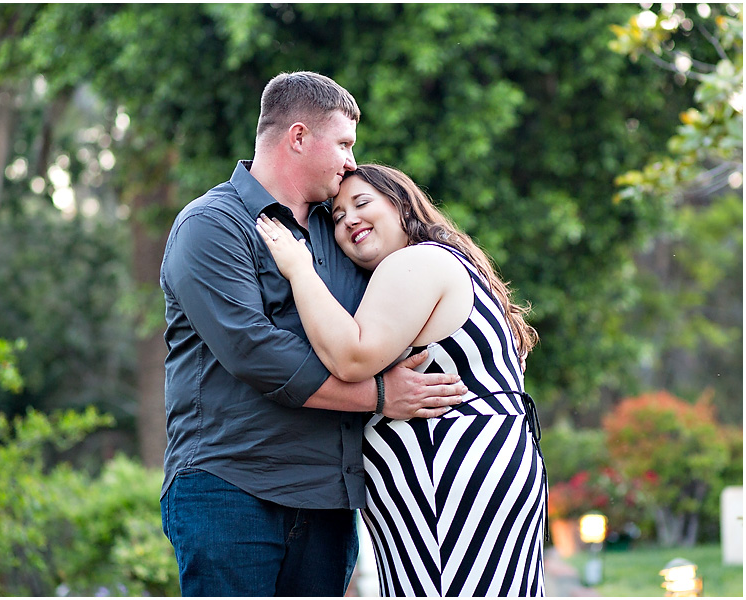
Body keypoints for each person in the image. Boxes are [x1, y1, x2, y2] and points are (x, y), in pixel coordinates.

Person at [159, 72, 468, 597]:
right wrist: (377, 396)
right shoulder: (212, 226)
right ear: (298, 137)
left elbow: (392, 314)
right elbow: (255, 352)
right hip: (231, 491)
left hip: (328, 502)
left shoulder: (344, 230)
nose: (351, 161)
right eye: (343, 143)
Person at [257, 163, 547, 597]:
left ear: (401, 205)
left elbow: (351, 358)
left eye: (361, 203)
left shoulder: (414, 262)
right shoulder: (447, 262)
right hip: (470, 476)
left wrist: (299, 270)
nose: (348, 219)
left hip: (446, 484)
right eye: (337, 217)